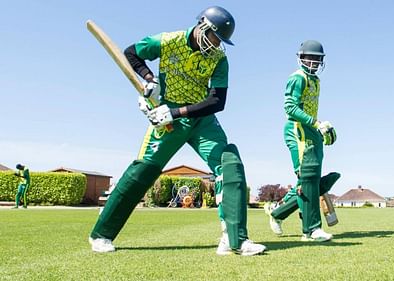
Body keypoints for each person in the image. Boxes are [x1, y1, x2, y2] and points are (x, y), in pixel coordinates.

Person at [88, 6, 266, 256]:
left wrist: (176, 112)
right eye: (215, 37)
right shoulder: (168, 41)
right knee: (143, 171)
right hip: (166, 119)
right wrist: (150, 80)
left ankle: (234, 239)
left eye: (220, 41)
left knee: (230, 163)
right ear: (203, 26)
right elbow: (131, 53)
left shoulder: (218, 59)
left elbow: (218, 101)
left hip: (201, 119)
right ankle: (101, 234)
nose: (216, 45)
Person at [264, 40, 340, 241]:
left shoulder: (316, 80)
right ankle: (311, 229)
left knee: (310, 181)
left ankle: (277, 213)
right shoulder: (298, 78)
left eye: (318, 58)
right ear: (301, 58)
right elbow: (290, 108)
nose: (314, 61)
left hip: (312, 130)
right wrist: (315, 123)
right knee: (307, 178)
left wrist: (320, 129)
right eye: (311, 57)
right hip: (297, 130)